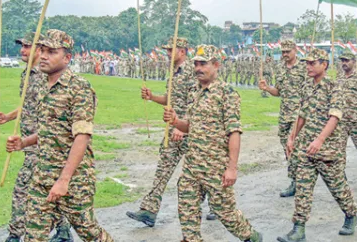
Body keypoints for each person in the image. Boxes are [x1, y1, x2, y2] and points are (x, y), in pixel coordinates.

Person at [6, 30, 113, 242]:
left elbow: (82, 136)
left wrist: (64, 181)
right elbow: (50, 128)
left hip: (74, 179)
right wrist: (24, 142)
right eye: (42, 50)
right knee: (33, 232)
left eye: (52, 52)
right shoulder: (43, 86)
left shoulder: (78, 88)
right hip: (43, 174)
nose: (44, 56)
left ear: (67, 58)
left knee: (88, 231)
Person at [163, 45, 263, 242]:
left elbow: (234, 131)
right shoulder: (194, 91)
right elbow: (190, 126)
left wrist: (232, 168)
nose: (198, 68)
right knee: (187, 209)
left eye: (204, 64)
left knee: (225, 213)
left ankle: (251, 236)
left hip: (215, 167)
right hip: (192, 165)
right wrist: (175, 121)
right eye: (196, 64)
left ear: (216, 65)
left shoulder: (227, 93)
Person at [126, 38, 217, 226]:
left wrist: (181, 127)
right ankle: (149, 210)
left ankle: (217, 206)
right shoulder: (173, 73)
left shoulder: (193, 73)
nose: (167, 53)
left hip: (191, 130)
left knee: (203, 170)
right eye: (167, 50)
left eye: (171, 50)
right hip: (174, 127)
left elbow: (195, 101)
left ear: (182, 52)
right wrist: (152, 97)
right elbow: (170, 99)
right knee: (163, 168)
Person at [0, 32, 72, 242]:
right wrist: (8, 117)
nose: (23, 50)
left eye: (28, 46)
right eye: (22, 46)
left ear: (39, 50)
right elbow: (28, 104)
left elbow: (51, 109)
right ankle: (64, 230)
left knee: (23, 188)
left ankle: (15, 234)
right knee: (47, 189)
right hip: (28, 140)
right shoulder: (27, 74)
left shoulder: (44, 75)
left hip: (42, 142)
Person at [277, 48, 357, 242]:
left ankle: (351, 215)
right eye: (306, 63)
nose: (308, 66)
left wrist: (320, 139)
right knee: (303, 187)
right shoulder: (307, 86)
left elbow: (335, 116)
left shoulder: (334, 87)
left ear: (325, 64)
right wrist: (292, 137)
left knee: (337, 187)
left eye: (313, 63)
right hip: (306, 147)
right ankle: (299, 228)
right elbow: (302, 113)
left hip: (328, 148)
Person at [259, 39, 308, 197]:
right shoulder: (279, 68)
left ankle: (297, 182)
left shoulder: (304, 67)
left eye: (288, 51)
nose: (285, 55)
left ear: (295, 50)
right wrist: (267, 88)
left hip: (299, 114)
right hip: (284, 114)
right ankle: (299, 179)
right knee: (286, 149)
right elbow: (278, 92)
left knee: (294, 147)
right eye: (283, 52)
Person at [332, 50, 357, 177]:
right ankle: (340, 169)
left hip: (356, 119)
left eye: (347, 61)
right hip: (341, 119)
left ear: (354, 62)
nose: (344, 63)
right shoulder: (339, 78)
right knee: (339, 146)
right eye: (342, 61)